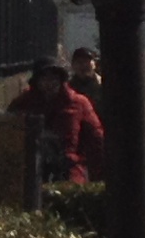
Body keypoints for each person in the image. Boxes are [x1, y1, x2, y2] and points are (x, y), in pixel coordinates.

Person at [6, 57, 107, 186]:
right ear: (36, 81)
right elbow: (7, 134)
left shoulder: (77, 103)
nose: (50, 83)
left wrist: (100, 178)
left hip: (70, 171)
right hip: (30, 172)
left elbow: (96, 139)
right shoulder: (22, 103)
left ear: (61, 80)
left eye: (54, 78)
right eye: (44, 78)